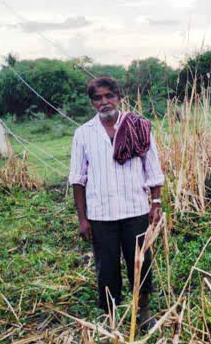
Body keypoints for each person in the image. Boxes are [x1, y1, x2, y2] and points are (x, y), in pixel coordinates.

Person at [68, 76, 164, 328]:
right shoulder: (83, 134)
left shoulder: (138, 126)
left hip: (135, 210)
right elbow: (77, 179)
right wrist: (83, 219)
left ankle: (143, 312)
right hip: (101, 214)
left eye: (109, 96)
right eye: (98, 98)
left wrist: (156, 202)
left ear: (118, 97)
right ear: (92, 104)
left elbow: (153, 168)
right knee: (107, 268)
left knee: (140, 264)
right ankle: (111, 317)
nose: (104, 102)